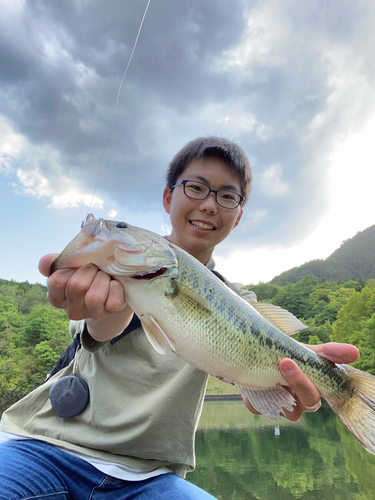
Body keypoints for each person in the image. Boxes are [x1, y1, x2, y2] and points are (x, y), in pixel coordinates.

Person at [0, 137, 359, 499]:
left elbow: (262, 364)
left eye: (227, 196)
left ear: (238, 216)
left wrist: (297, 382)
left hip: (149, 477)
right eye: (196, 187)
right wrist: (105, 308)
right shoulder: (111, 266)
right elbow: (99, 328)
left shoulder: (243, 302)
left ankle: (349, 389)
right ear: (169, 197)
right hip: (43, 447)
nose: (208, 205)